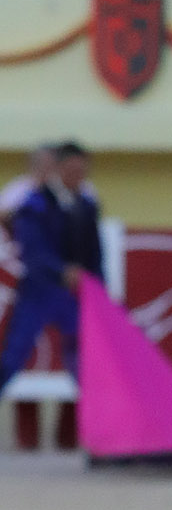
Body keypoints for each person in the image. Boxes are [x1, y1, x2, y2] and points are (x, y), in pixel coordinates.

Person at [0, 141, 103, 399]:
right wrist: (63, 271)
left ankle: (103, 422)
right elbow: (33, 250)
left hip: (74, 293)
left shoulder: (87, 205)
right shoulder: (35, 203)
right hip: (40, 290)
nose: (76, 177)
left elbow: (94, 254)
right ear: (58, 169)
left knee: (84, 361)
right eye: (71, 170)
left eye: (81, 171)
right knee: (14, 356)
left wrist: (99, 288)